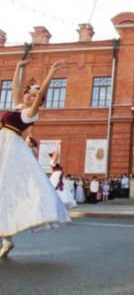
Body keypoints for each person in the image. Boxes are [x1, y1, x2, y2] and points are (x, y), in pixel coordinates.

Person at [0, 59, 70, 258]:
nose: (31, 97)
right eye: (29, 94)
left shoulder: (30, 114)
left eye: (34, 97)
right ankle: (6, 240)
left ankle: (7, 238)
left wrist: (50, 73)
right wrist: (18, 68)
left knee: (7, 189)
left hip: (11, 149)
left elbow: (40, 94)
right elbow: (15, 86)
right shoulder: (18, 106)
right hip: (2, 145)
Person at [49, 143, 77, 210]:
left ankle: (60, 202)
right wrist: (57, 146)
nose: (54, 155)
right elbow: (57, 155)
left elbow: (56, 156)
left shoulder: (53, 162)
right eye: (53, 154)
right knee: (58, 187)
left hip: (58, 175)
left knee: (62, 188)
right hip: (57, 176)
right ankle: (56, 201)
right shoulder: (52, 161)